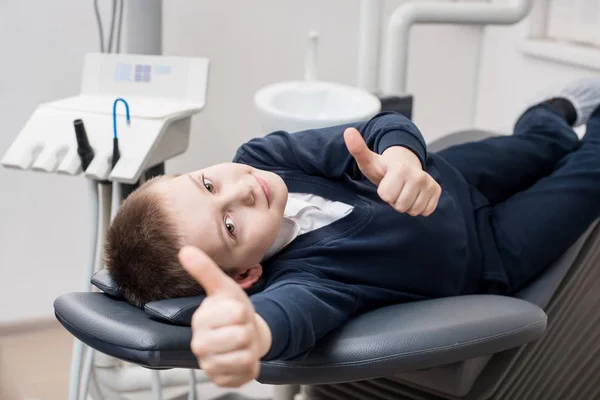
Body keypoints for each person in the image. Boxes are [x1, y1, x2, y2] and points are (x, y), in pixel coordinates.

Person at [105, 78, 600, 388]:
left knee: (542, 142)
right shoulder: (307, 282)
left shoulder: (261, 157)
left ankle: (551, 112)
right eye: (229, 225)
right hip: (490, 256)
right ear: (247, 275)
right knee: (589, 175)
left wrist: (401, 158)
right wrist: (251, 334)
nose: (241, 190)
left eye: (208, 182)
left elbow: (380, 126)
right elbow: (284, 320)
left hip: (449, 176)